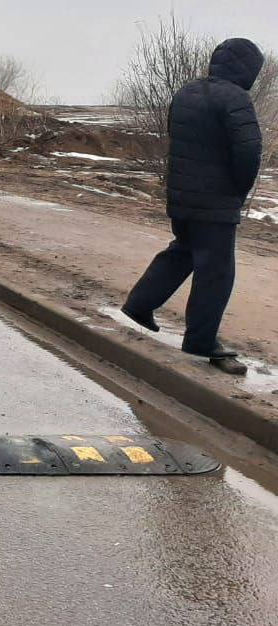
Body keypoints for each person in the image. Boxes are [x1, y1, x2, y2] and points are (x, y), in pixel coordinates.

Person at [122, 38, 265, 375]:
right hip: (215, 202)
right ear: (247, 71)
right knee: (215, 272)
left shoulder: (186, 92)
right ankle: (201, 341)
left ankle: (139, 304)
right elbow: (248, 151)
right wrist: (238, 188)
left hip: (182, 197)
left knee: (183, 251)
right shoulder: (236, 98)